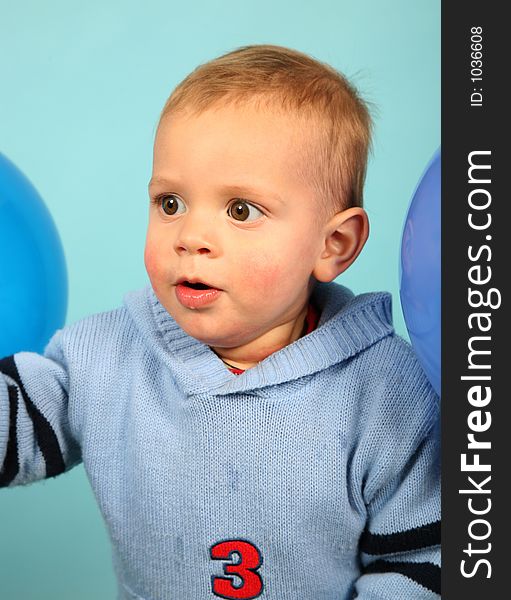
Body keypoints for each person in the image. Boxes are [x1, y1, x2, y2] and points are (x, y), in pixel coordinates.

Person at [0, 45, 440, 599]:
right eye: (170, 203)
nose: (190, 237)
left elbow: (425, 560)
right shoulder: (108, 353)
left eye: (240, 210)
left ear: (334, 244)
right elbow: (18, 425)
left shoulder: (387, 394)